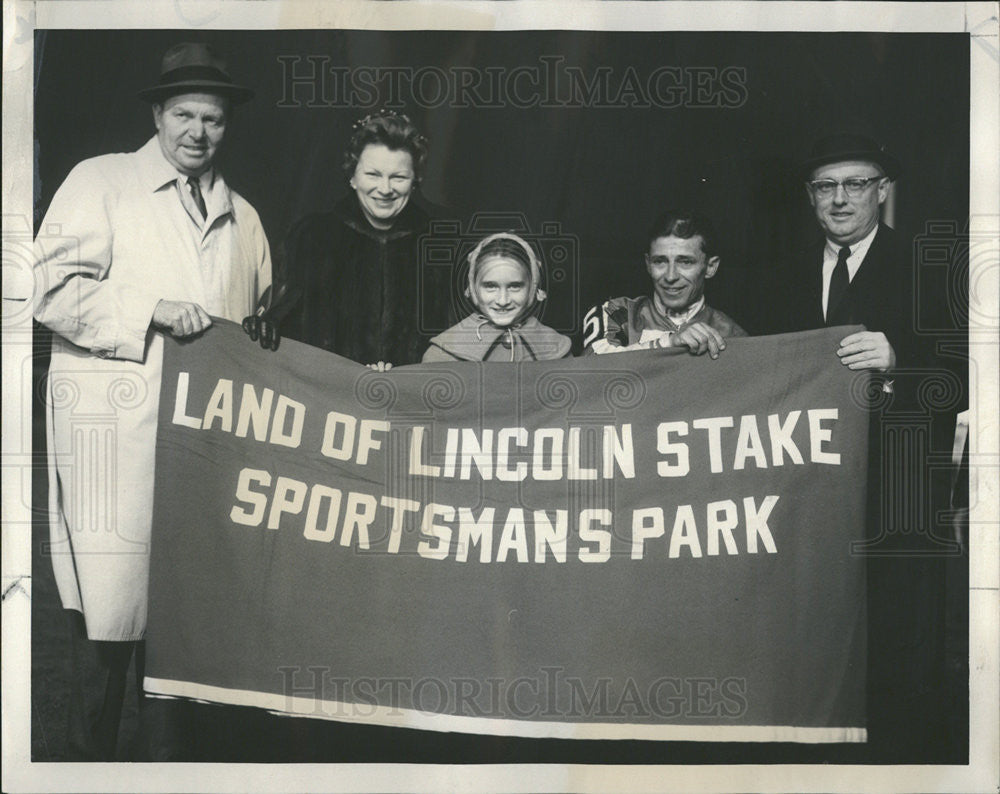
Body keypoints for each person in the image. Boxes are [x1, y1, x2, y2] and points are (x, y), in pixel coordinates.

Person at [32, 42, 271, 760]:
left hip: (202, 446)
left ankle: (166, 772)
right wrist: (150, 308)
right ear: (158, 116)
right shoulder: (99, 183)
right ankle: (87, 767)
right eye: (184, 115)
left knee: (183, 629)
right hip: (115, 434)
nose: (198, 132)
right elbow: (42, 289)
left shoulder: (245, 217)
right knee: (107, 616)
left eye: (214, 119)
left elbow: (259, 328)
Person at [769, 131, 955, 762]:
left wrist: (901, 361)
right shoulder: (780, 269)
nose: (840, 198)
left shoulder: (929, 263)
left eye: (855, 184)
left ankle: (900, 765)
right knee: (813, 639)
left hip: (895, 495)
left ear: (882, 192)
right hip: (806, 493)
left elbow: (969, 374)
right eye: (826, 186)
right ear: (809, 197)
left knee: (899, 646)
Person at [243, 109, 451, 368]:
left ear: (415, 180)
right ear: (352, 177)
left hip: (414, 403)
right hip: (328, 401)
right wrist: (264, 326)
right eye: (373, 175)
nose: (385, 189)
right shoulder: (311, 238)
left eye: (398, 177)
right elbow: (283, 318)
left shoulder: (442, 245)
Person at [581, 210, 746, 358]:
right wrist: (668, 343)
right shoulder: (617, 312)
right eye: (660, 261)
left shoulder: (733, 334)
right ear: (648, 264)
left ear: (710, 267)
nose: (670, 276)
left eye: (685, 262)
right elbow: (593, 369)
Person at [422, 232, 571, 361]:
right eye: (490, 286)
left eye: (515, 286)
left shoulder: (559, 350)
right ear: (473, 288)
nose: (503, 301)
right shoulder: (442, 354)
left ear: (533, 288)